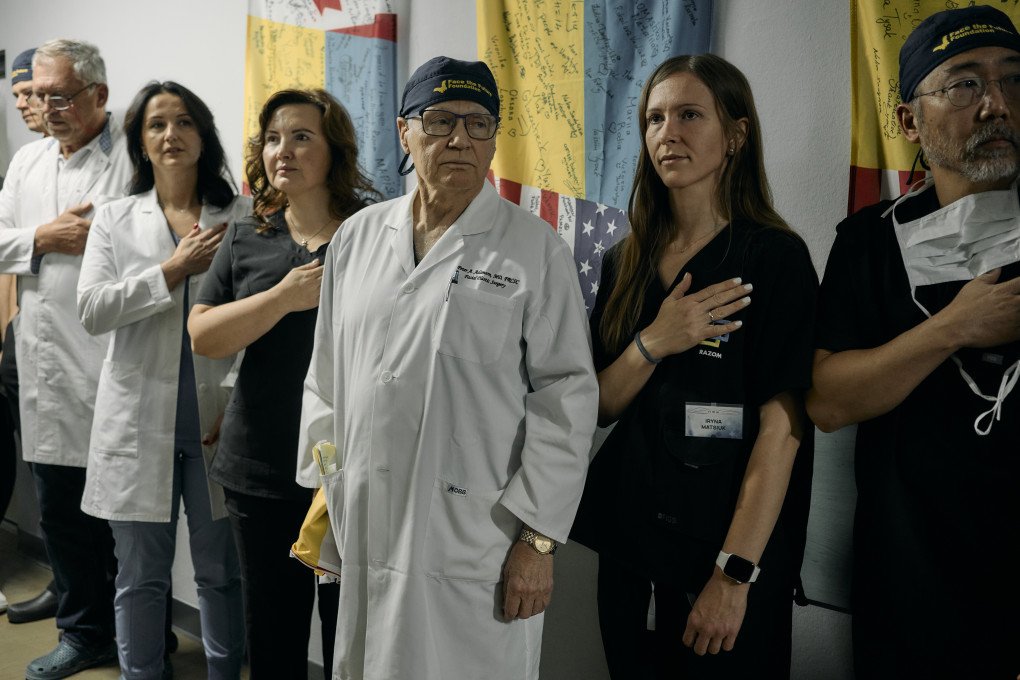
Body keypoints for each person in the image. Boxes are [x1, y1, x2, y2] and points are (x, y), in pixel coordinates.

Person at [296, 56, 598, 680]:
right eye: (438, 120)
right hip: (367, 523)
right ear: (405, 132)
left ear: (493, 138)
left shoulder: (533, 250)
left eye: (478, 122)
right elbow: (326, 376)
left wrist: (537, 541)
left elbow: (566, 398)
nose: (459, 138)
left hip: (476, 537)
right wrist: (329, 493)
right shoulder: (357, 238)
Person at [571, 54, 817, 679]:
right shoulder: (623, 259)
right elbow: (601, 404)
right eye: (654, 119)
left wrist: (733, 575)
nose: (667, 133)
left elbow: (783, 432)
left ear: (735, 133)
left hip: (727, 553)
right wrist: (654, 341)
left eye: (689, 115)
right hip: (632, 546)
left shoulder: (774, 258)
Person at [807, 6, 1020, 678]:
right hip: (912, 587)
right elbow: (828, 401)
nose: (996, 105)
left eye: (1014, 80)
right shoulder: (867, 243)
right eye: (964, 84)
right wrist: (955, 326)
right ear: (908, 122)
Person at [188, 88, 373, 678]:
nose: (283, 150)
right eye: (272, 138)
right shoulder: (246, 237)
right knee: (272, 636)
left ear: (334, 151)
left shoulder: (372, 236)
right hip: (260, 472)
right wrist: (282, 298)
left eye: (301, 136)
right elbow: (204, 336)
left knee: (353, 635)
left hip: (350, 472)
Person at [76, 81, 247, 680]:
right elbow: (93, 309)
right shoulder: (116, 219)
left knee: (221, 574)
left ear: (203, 136)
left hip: (215, 424)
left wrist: (238, 400)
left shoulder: (242, 215)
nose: (170, 136)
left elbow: (258, 322)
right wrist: (172, 270)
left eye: (183, 123)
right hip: (137, 422)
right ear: (141, 143)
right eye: (156, 126)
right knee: (139, 577)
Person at [0, 39, 131, 680]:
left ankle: (138, 634)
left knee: (123, 522)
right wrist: (42, 237)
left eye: (60, 95)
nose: (45, 107)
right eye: (37, 94)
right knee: (59, 512)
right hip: (43, 366)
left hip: (110, 364)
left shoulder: (132, 158)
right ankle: (83, 636)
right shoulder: (26, 163)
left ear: (98, 96)